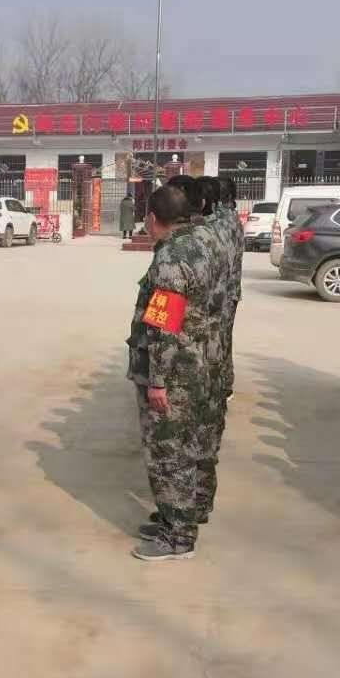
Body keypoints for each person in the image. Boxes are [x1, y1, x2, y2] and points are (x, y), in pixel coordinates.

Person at [126, 184, 222, 562]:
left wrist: (158, 381)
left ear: (153, 218)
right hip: (197, 361)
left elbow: (164, 326)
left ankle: (178, 537)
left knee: (168, 454)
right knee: (188, 447)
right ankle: (177, 517)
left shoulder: (169, 257)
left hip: (174, 372)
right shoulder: (202, 243)